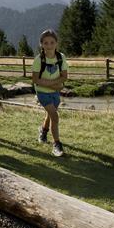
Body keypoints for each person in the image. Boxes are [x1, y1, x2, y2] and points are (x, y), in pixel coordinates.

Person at [31, 29, 69, 157]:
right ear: (41, 44)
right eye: (46, 43)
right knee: (54, 115)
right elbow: (35, 79)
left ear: (56, 43)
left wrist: (53, 85)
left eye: (52, 42)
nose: (49, 45)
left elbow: (65, 76)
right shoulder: (39, 60)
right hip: (42, 92)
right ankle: (57, 145)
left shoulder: (61, 58)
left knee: (50, 114)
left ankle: (43, 131)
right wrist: (53, 85)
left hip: (55, 93)